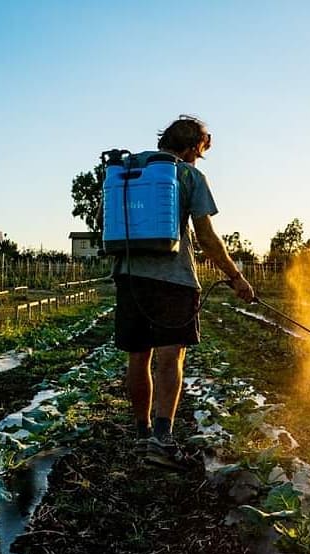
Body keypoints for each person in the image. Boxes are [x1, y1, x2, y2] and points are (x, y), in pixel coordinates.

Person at [112, 115, 255, 469]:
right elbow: (206, 237)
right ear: (193, 147)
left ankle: (143, 434)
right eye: (202, 149)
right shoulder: (189, 175)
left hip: (129, 276)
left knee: (138, 356)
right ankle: (162, 440)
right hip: (173, 279)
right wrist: (236, 276)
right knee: (169, 358)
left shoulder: (127, 168)